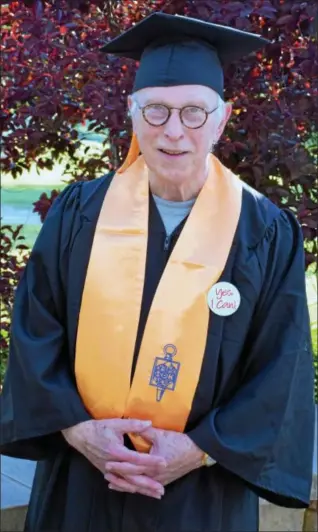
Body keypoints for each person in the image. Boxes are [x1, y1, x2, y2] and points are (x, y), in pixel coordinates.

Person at [0, 11, 315, 532]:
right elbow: (37, 328)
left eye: (194, 112)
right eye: (156, 110)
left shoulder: (265, 232)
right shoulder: (81, 213)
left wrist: (197, 450)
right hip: (82, 486)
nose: (174, 131)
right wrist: (79, 431)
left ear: (222, 119)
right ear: (131, 114)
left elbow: (280, 368)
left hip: (199, 496)